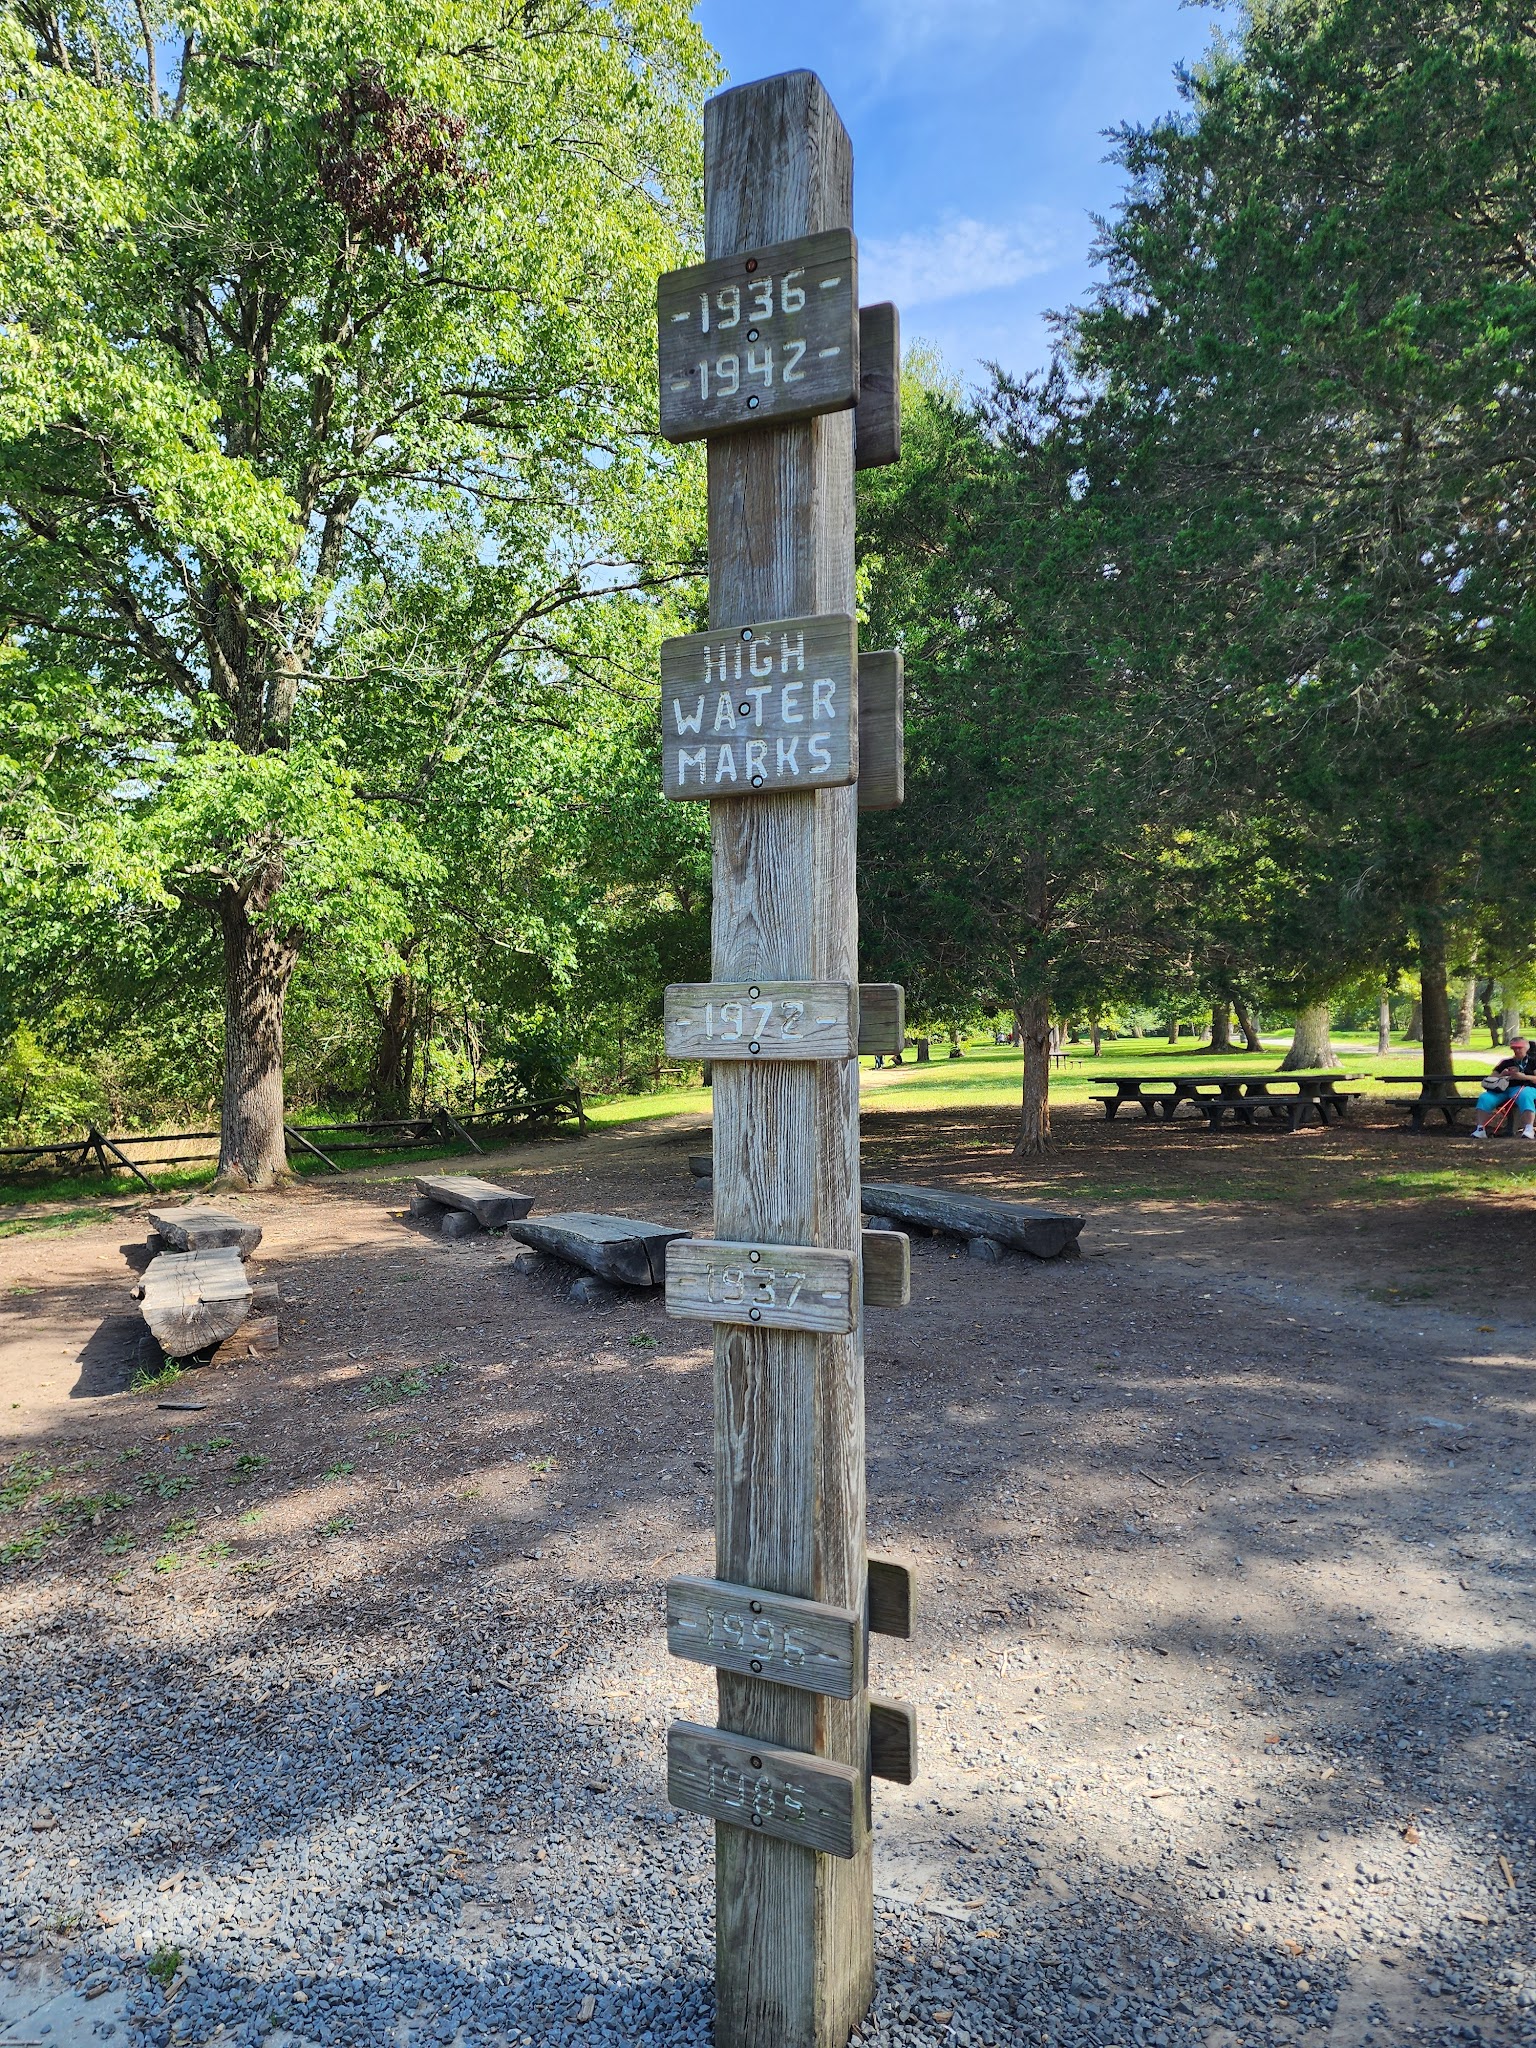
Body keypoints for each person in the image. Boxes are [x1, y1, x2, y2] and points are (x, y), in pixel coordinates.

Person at [1471, 1035, 1536, 1138]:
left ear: (1526, 1048)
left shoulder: (1533, 1062)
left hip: (1524, 1088)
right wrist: (1502, 1075)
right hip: (1503, 1089)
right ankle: (1480, 1129)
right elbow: (1492, 1076)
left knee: (1525, 1095)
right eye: (1514, 1048)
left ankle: (1528, 1129)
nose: (1517, 1050)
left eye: (1519, 1048)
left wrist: (1523, 1077)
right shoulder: (1506, 1062)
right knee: (1485, 1098)